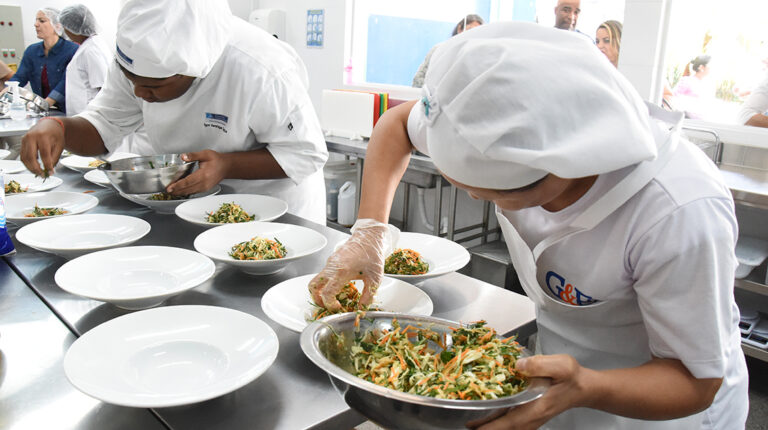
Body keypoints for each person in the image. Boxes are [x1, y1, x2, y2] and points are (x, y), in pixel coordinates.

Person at [309, 22, 748, 429]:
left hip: (662, 408)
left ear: (562, 165)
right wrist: (369, 230)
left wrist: (590, 386)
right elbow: (398, 124)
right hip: (560, 382)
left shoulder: (677, 213)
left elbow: (695, 381)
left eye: (492, 192)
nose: (477, 199)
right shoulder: (493, 117)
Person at [20, 0, 328, 224]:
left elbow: (306, 154)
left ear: (196, 68)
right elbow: (103, 125)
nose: (140, 94)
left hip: (273, 217)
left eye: (154, 87)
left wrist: (225, 165)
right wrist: (59, 127)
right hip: (195, 210)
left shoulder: (259, 67)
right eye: (133, 81)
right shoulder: (135, 60)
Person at [8, 8, 78, 113]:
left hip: (68, 110)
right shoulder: (32, 51)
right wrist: (4, 94)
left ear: (57, 25)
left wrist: (44, 104)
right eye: (36, 20)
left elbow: (66, 82)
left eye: (42, 21)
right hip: (44, 110)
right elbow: (19, 78)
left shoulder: (72, 50)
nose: (36, 24)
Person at [59, 4, 112, 116]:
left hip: (90, 116)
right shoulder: (89, 46)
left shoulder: (91, 50)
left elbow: (102, 87)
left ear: (73, 27)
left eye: (65, 27)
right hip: (83, 116)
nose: (65, 31)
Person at [412, 14, 484, 88]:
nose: (472, 34)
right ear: (459, 29)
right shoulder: (439, 49)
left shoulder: (477, 57)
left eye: (477, 32)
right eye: (470, 30)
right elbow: (417, 80)